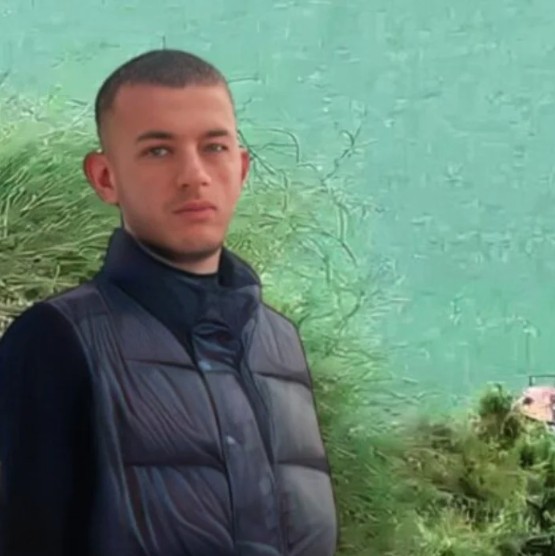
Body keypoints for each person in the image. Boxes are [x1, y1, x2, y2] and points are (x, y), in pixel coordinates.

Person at [0, 49, 338, 556]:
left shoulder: (281, 343)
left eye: (215, 147)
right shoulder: (54, 340)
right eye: (158, 151)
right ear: (105, 177)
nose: (194, 175)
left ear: (242, 169)